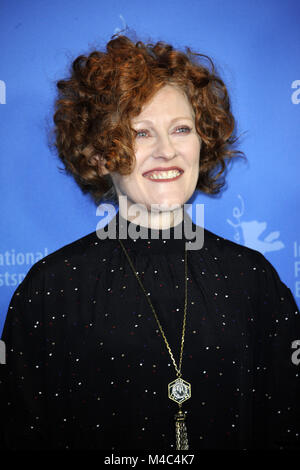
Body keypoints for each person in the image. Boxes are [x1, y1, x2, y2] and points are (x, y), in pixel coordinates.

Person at [0, 34, 299, 451]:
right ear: (101, 153)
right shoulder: (50, 289)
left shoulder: (254, 280)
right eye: (140, 133)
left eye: (181, 129)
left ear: (203, 141)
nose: (166, 151)